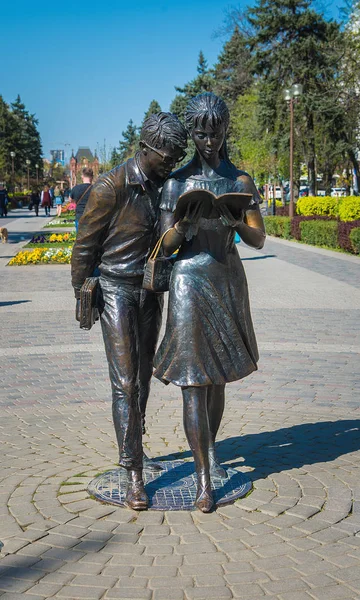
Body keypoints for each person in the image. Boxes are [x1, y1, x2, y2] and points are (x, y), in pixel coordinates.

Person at [153, 93, 266, 513]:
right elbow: (163, 247)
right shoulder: (176, 183)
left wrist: (237, 221)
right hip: (188, 280)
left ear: (224, 130)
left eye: (215, 131)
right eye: (200, 132)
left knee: (217, 377)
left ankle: (212, 451)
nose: (208, 140)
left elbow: (258, 239)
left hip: (226, 277)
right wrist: (183, 225)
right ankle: (203, 480)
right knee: (193, 379)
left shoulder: (240, 181)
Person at [71, 113, 187, 510]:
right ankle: (133, 472)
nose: (170, 166)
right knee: (125, 383)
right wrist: (82, 293)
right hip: (117, 290)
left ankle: (135, 444)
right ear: (146, 149)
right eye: (166, 158)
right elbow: (84, 246)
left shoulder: (165, 185)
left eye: (174, 160)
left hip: (150, 290)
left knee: (143, 375)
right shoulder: (110, 187)